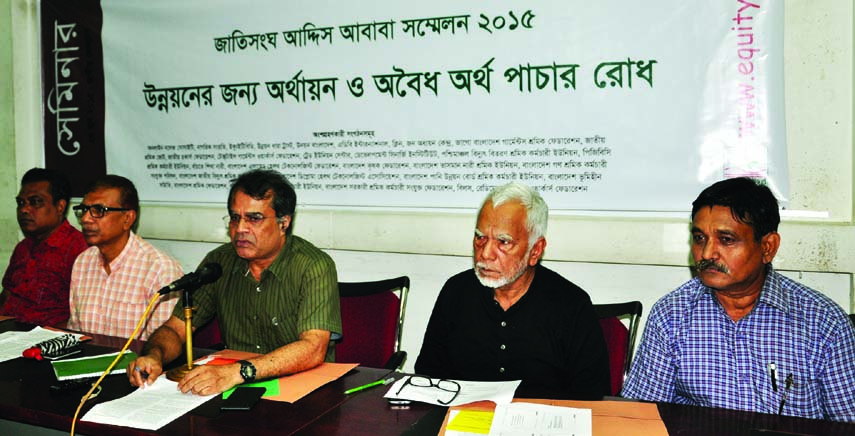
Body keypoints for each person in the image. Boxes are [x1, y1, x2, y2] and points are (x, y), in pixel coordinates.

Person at [622, 177, 855, 421]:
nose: (708, 253)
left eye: (726, 240)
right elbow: (639, 417)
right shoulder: (672, 315)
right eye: (700, 238)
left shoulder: (823, 323)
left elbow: (847, 424)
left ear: (768, 247)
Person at [128, 169, 341, 396]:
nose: (240, 229)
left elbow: (313, 348)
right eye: (235, 218)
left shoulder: (313, 265)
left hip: (301, 388)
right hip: (234, 387)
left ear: (284, 223)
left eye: (254, 218)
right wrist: (154, 355)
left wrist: (236, 372)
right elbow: (176, 328)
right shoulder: (219, 262)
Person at [415, 182, 610, 397]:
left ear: (535, 250)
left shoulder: (572, 305)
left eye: (503, 242)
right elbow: (429, 375)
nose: (486, 253)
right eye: (480, 238)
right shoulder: (456, 292)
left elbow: (592, 395)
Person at [67, 175, 183, 340]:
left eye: (98, 211)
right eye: (84, 210)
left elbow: (162, 346)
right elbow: (77, 334)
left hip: (136, 364)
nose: (86, 219)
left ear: (127, 219)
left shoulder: (160, 269)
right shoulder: (82, 262)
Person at [0, 168, 88, 326]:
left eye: (35, 202)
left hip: (43, 343)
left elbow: (80, 319)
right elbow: (6, 297)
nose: (24, 210)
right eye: (21, 203)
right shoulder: (23, 248)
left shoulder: (79, 250)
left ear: (60, 207)